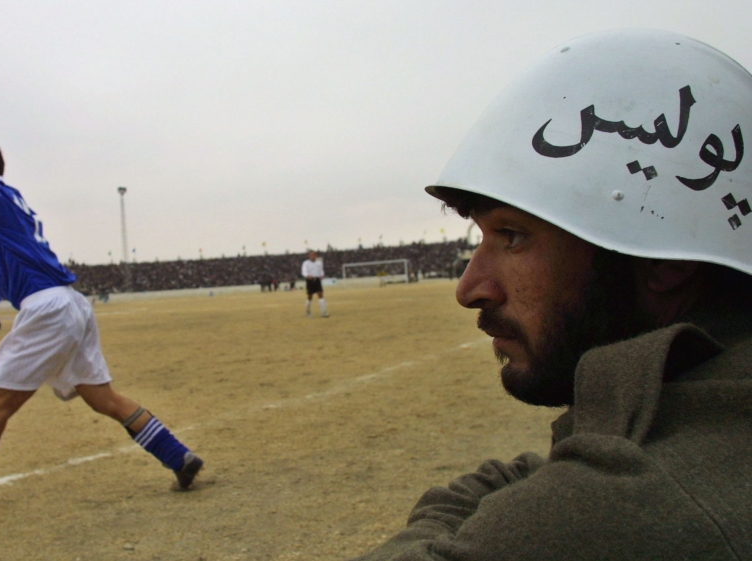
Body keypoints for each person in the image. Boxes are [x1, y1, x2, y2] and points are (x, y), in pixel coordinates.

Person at [354, 29, 751, 560]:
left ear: (667, 261)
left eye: (512, 236)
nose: (470, 289)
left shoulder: (623, 504)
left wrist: (441, 512)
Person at [0, 74, 203, 523]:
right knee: (103, 398)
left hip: (46, 308)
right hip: (70, 303)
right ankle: (178, 456)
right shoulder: (0, 194)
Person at [300, 250, 328, 317]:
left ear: (316, 255)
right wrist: (307, 275)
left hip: (317, 280)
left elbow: (321, 271)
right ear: (309, 256)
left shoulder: (319, 263)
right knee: (309, 297)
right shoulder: (306, 263)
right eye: (311, 255)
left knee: (320, 295)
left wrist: (322, 275)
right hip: (310, 280)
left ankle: (324, 312)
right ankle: (308, 312)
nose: (312, 256)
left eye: (314, 255)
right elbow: (304, 271)